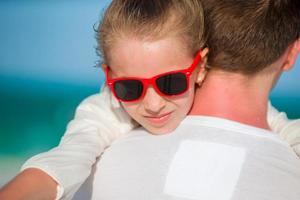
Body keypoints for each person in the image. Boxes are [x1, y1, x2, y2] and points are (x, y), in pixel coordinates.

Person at [0, 0, 299, 199]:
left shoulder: (273, 123)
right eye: (129, 88)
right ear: (109, 76)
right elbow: (63, 162)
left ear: (200, 66)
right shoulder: (107, 109)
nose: (153, 104)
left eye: (170, 83)